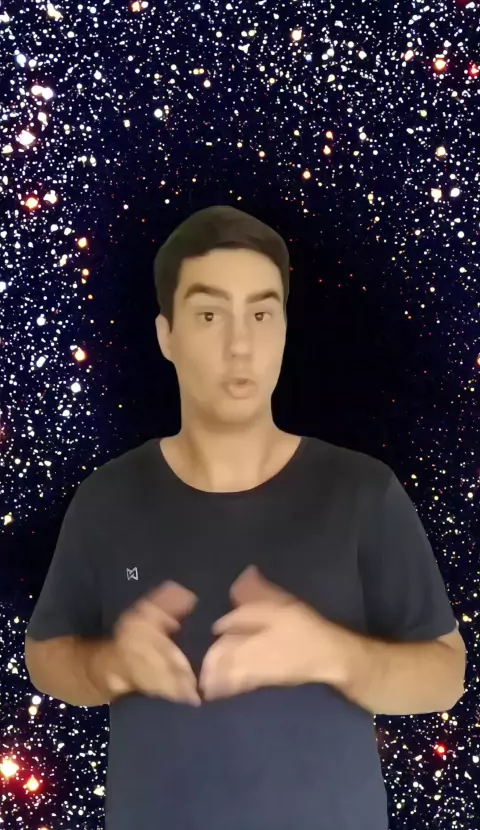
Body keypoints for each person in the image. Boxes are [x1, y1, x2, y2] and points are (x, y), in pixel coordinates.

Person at [25, 206, 466, 830]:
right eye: (210, 316)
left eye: (262, 314)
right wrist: (108, 666)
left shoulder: (364, 492)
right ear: (166, 336)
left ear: (284, 328)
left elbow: (446, 673)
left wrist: (335, 654)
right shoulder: (106, 499)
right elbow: (45, 654)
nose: (241, 345)